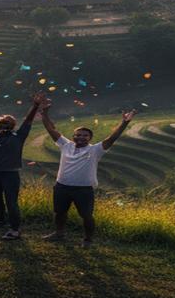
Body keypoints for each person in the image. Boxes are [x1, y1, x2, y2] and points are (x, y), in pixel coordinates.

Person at [40, 100, 136, 246]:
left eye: (85, 135)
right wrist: (45, 112)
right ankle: (59, 234)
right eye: (78, 135)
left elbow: (112, 138)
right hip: (62, 186)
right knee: (59, 212)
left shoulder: (95, 150)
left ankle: (88, 239)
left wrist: (124, 122)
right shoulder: (65, 145)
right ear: (73, 136)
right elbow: (50, 129)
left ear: (90, 138)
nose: (81, 137)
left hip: (83, 190)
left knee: (86, 215)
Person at [0, 91, 45, 240]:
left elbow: (28, 121)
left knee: (11, 201)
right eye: (2, 124)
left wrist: (35, 106)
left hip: (10, 174)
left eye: (7, 124)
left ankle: (15, 229)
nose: (4, 126)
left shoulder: (20, 136)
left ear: (13, 126)